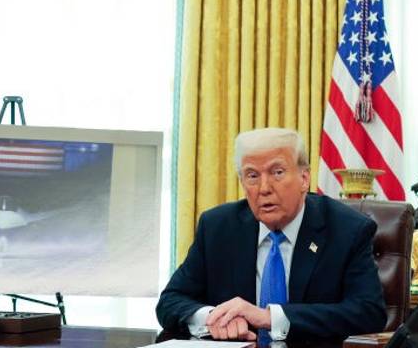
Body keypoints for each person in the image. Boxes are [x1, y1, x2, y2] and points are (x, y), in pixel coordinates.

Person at [156, 128, 386, 343]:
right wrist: (215, 317)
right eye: (252, 176)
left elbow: (368, 312)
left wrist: (269, 317)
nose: (264, 188)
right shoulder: (217, 227)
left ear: (304, 179)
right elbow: (170, 301)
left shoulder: (347, 230)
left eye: (277, 172)